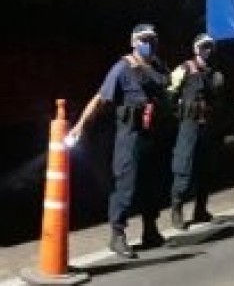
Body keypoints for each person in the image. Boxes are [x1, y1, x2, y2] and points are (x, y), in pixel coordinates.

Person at [65, 23, 170, 259]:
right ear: (133, 42)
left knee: (152, 183)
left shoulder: (158, 67)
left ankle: (150, 230)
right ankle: (117, 235)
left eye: (152, 40)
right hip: (130, 136)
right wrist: (80, 126)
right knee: (125, 185)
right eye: (144, 40)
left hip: (151, 133)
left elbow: (167, 91)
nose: (148, 44)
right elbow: (100, 99)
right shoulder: (122, 68)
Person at [168, 33, 222, 229]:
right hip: (188, 125)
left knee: (206, 169)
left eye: (209, 47)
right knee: (184, 168)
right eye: (203, 47)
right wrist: (178, 114)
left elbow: (216, 101)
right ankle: (176, 210)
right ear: (195, 49)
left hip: (206, 126)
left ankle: (201, 210)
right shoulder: (184, 69)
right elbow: (169, 94)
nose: (206, 50)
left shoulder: (213, 74)